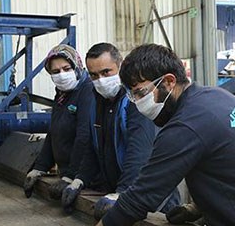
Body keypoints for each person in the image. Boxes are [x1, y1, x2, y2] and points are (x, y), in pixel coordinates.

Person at [34, 44, 235, 226]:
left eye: (140, 92)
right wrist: (200, 207)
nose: (136, 102)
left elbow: (138, 200)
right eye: (132, 94)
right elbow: (232, 162)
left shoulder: (184, 127)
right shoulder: (218, 98)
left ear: (169, 81)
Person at [60, 42, 179, 214]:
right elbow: (94, 147)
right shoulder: (97, 101)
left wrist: (123, 192)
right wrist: (79, 179)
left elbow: (139, 151)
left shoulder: (136, 99)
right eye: (94, 75)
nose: (100, 80)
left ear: (120, 67)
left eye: (106, 72)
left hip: (154, 199)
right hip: (122, 194)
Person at [23, 44, 94, 201]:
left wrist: (71, 176)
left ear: (77, 67)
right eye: (55, 72)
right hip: (66, 174)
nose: (62, 75)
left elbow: (84, 136)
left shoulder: (87, 91)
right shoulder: (62, 95)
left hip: (84, 176)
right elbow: (53, 132)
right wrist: (40, 167)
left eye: (66, 68)